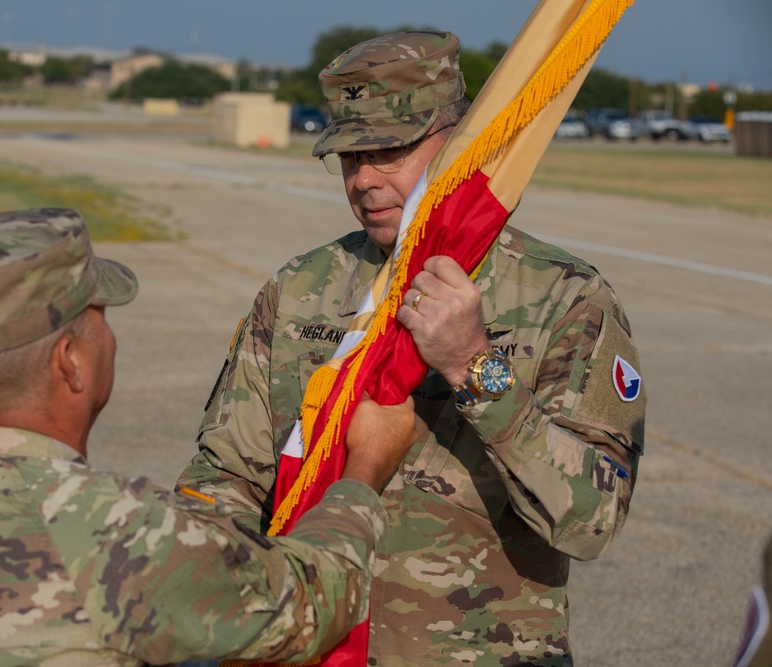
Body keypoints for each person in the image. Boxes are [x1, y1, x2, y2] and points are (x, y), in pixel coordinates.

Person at [178, 31, 646, 665]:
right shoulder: (299, 290)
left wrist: (473, 366)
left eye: (388, 151)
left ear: (455, 143)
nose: (364, 180)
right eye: (347, 156)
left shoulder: (563, 299)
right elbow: (225, 476)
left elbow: (594, 520)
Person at [0, 208, 418, 667]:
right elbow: (311, 605)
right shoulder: (116, 532)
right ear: (70, 361)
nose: (110, 338)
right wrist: (363, 469)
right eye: (99, 318)